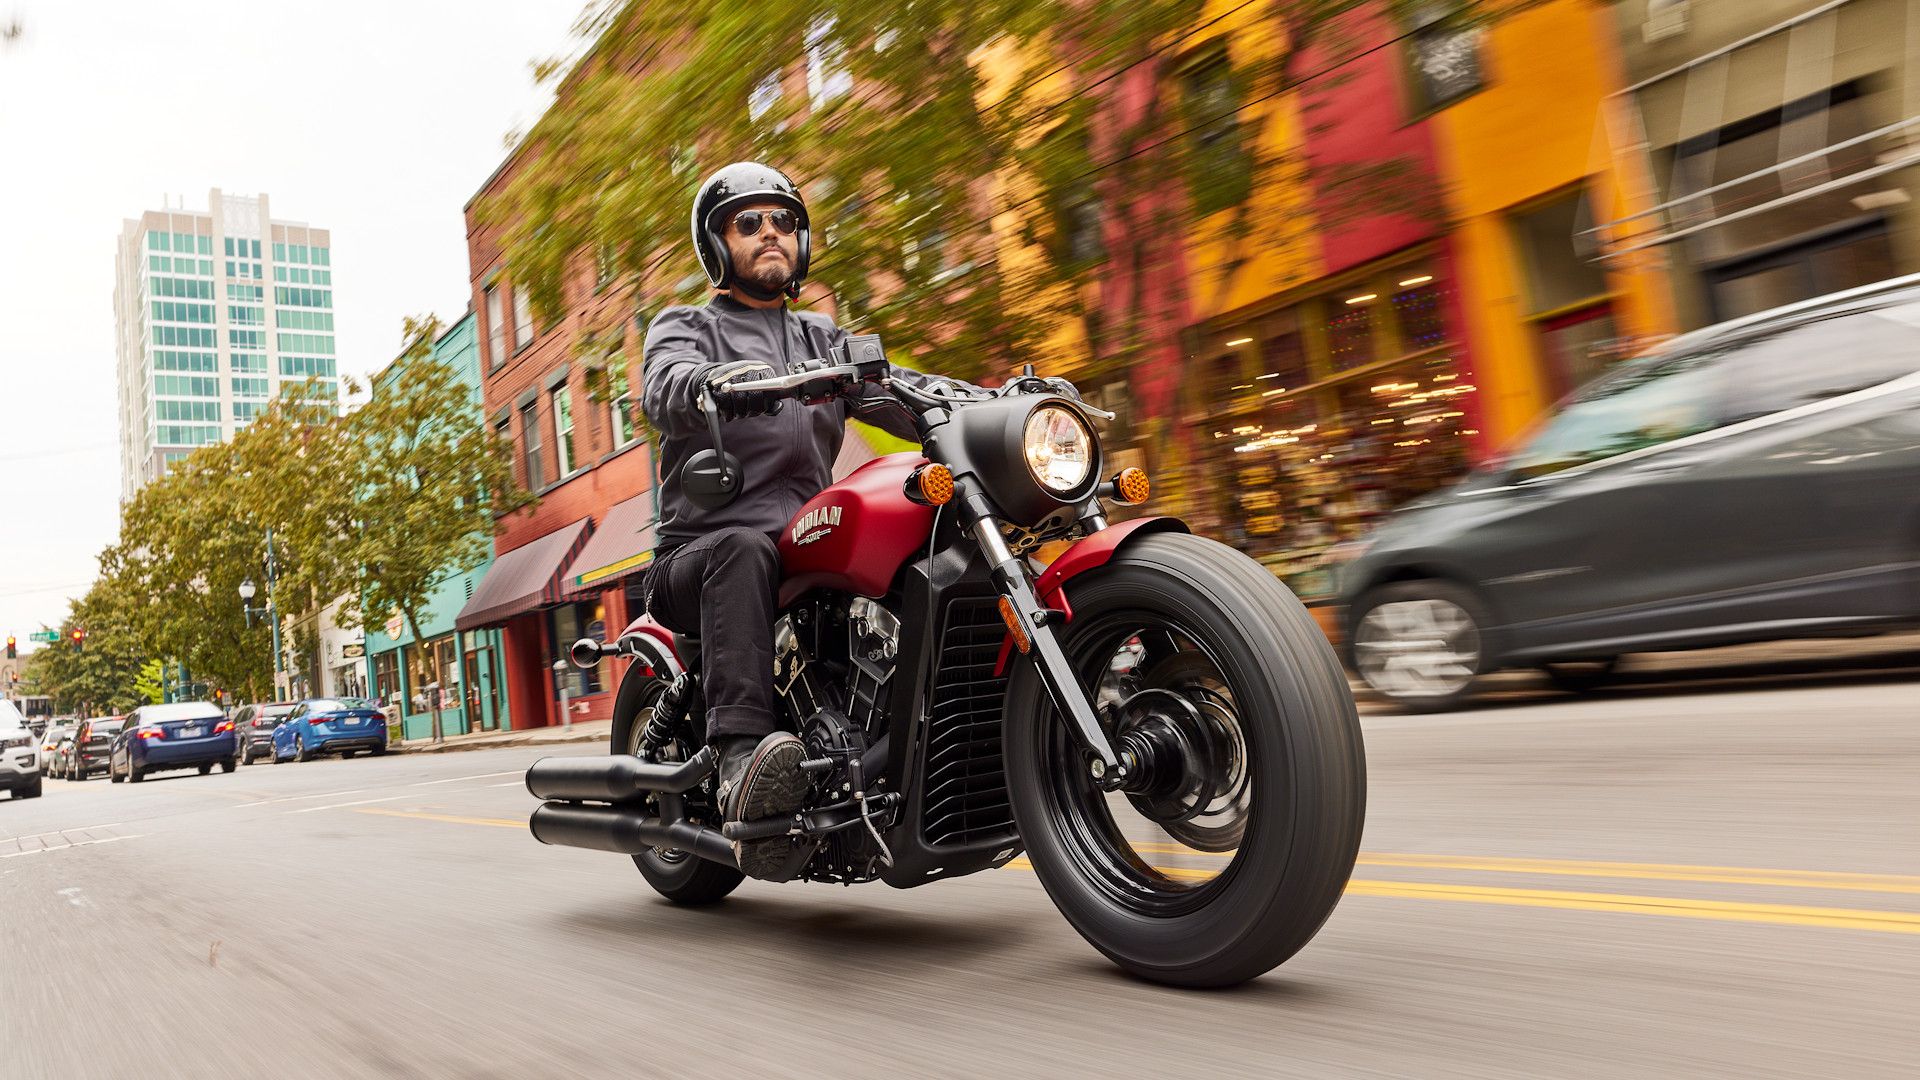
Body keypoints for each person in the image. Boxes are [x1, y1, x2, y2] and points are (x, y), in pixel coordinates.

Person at [639, 161, 965, 879]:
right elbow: (662, 387)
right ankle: (738, 763)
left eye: (783, 220)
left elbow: (894, 394)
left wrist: (980, 401)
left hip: (798, 546)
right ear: (718, 243)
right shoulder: (687, 327)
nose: (770, 233)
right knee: (744, 547)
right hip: (699, 557)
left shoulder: (821, 336)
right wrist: (715, 382)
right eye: (749, 222)